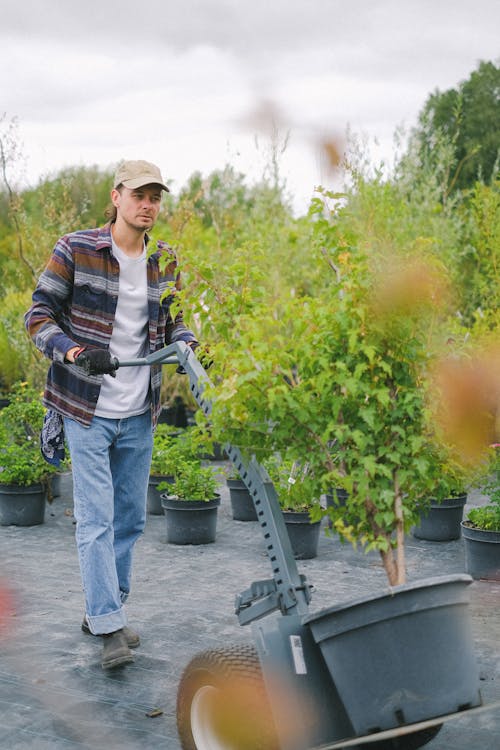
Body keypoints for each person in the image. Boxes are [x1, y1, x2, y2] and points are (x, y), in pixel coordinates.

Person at [25, 160, 198, 669]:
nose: (148, 205)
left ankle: (106, 609)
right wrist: (77, 354)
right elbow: (37, 316)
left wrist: (192, 350)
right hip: (85, 407)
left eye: (156, 197)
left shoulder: (164, 260)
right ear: (116, 196)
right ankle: (108, 627)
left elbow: (176, 325)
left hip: (139, 411)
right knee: (96, 519)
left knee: (130, 520)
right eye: (139, 195)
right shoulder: (76, 248)